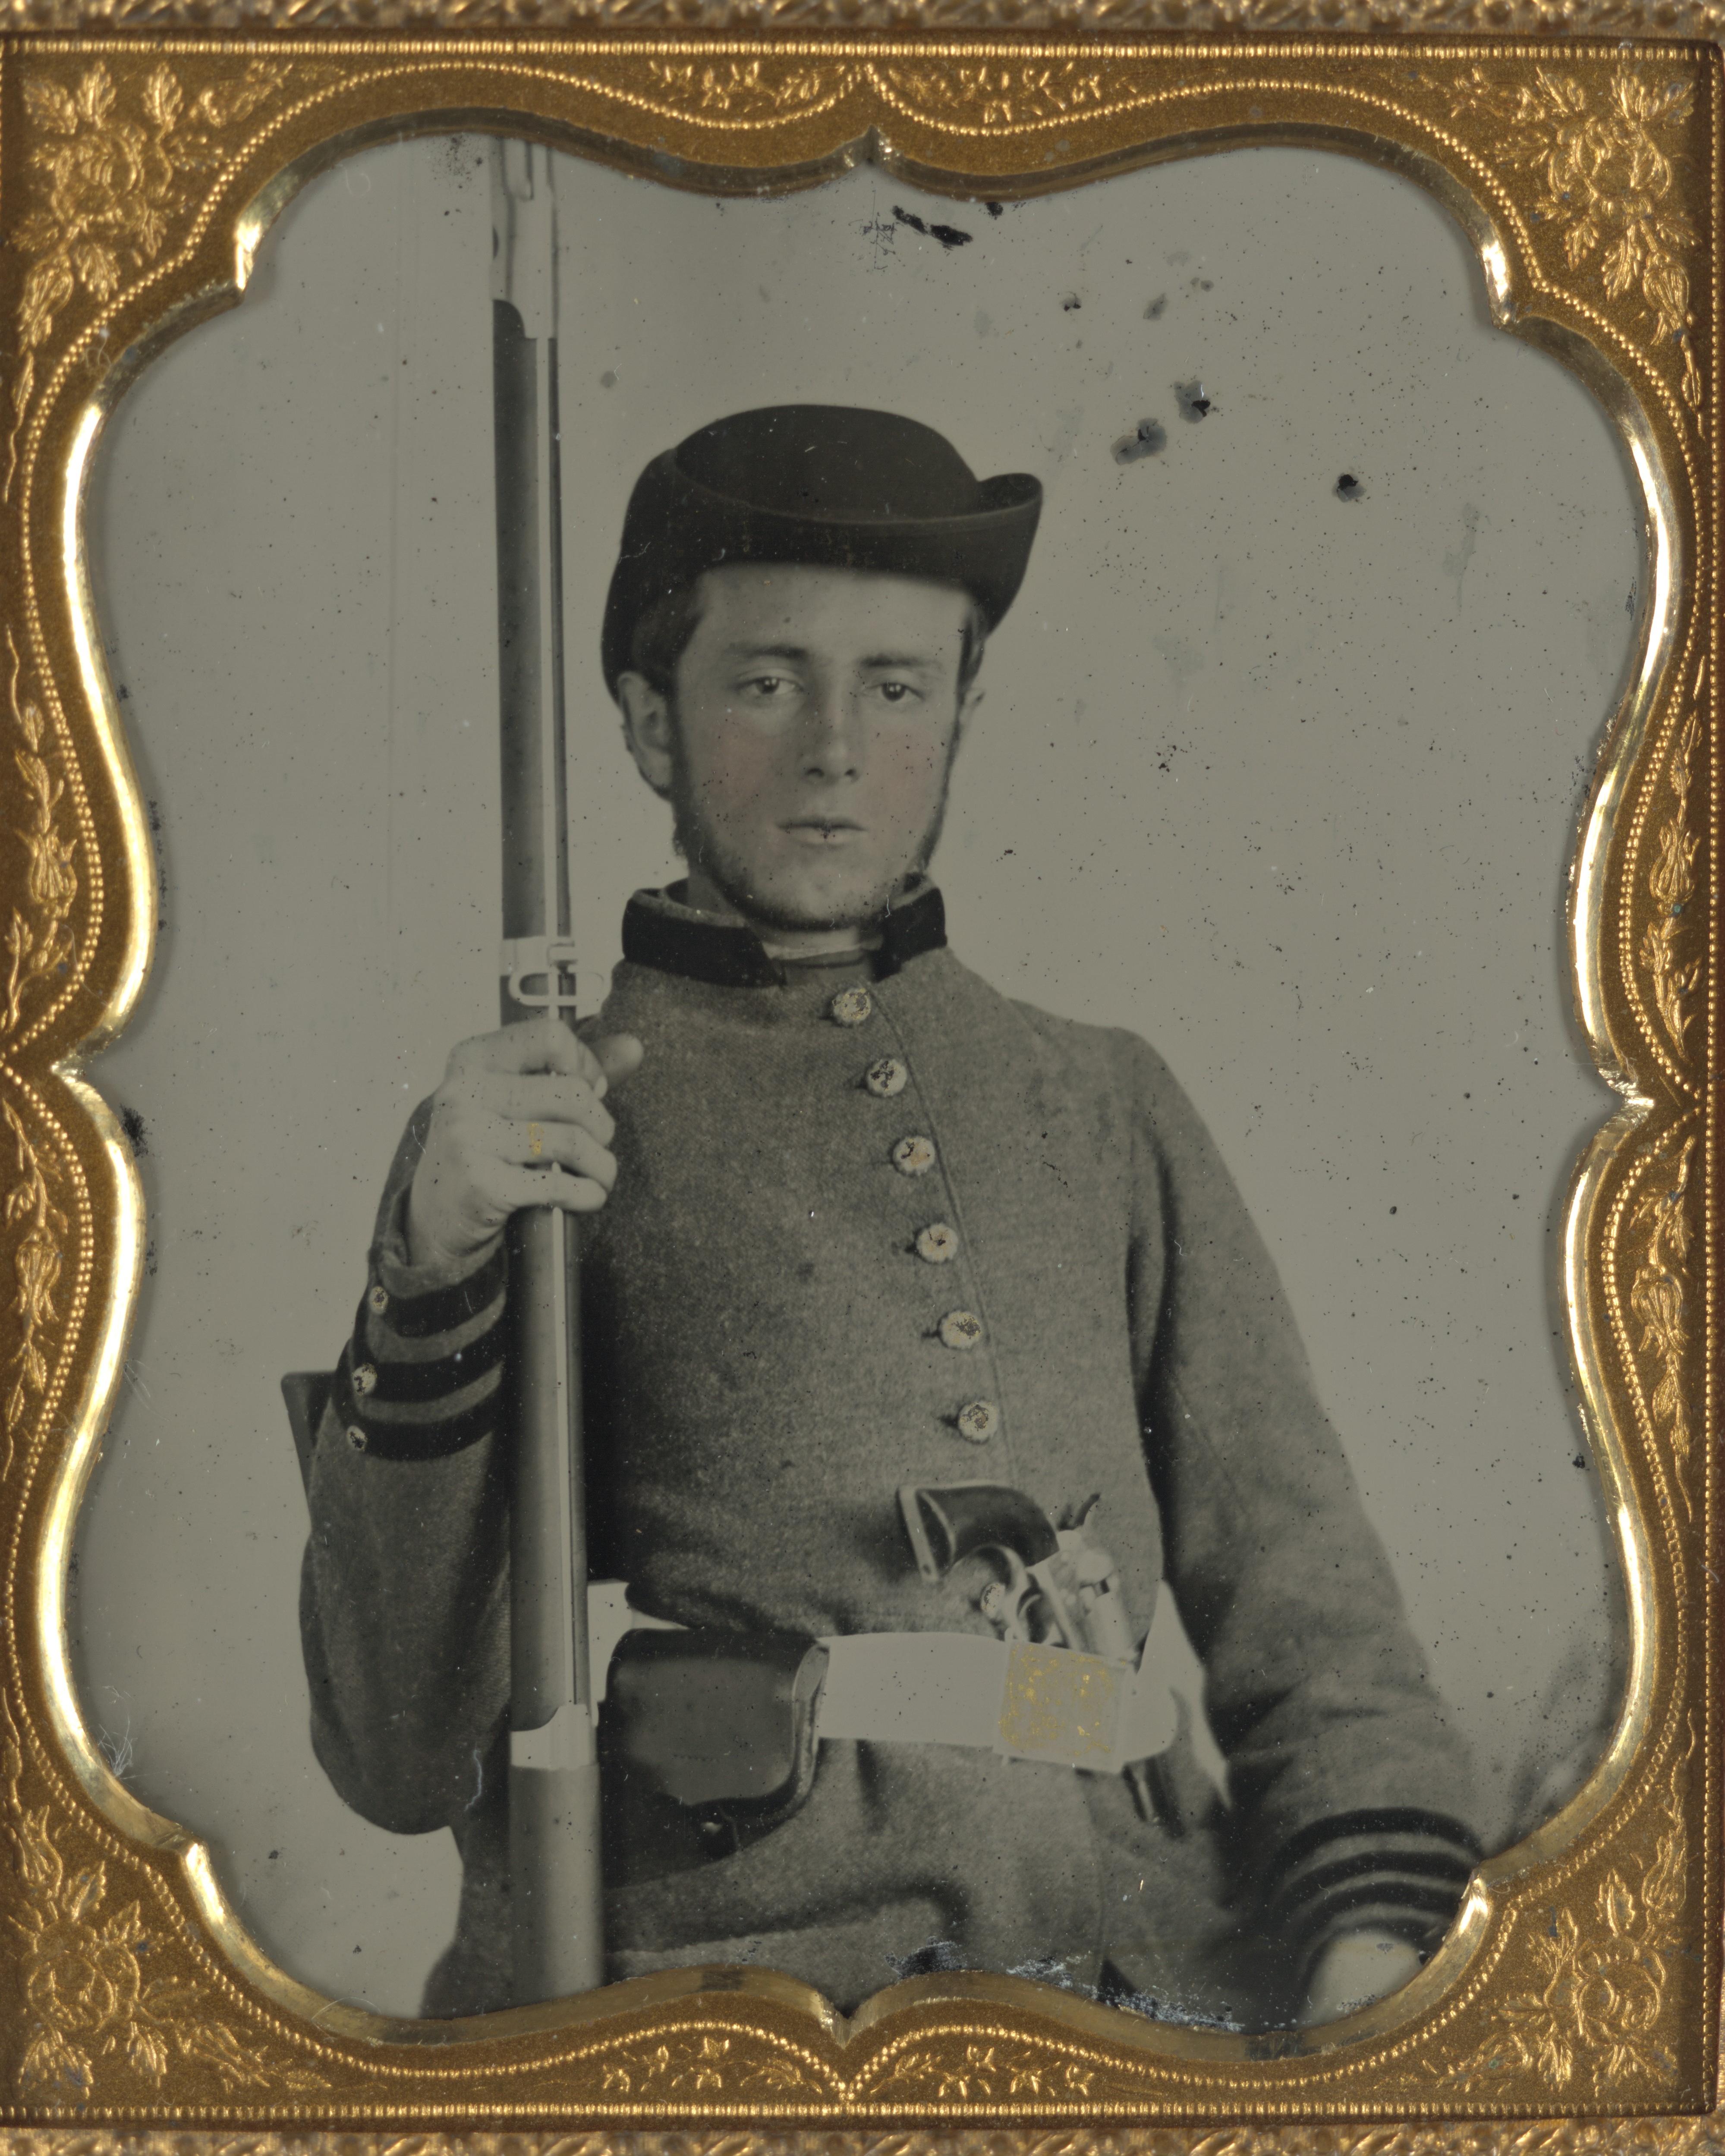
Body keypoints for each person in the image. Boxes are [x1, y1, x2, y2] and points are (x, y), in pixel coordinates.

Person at [299, 404, 1483, 2028]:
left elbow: (1316, 1626)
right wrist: (434, 1261)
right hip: (716, 2012)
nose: (836, 751)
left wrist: (1373, 1957)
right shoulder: (530, 1134)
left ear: (963, 712)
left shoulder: (1099, 1098)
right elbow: (395, 1744)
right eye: (768, 681)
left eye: (898, 688)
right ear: (650, 723)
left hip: (1144, 1980)